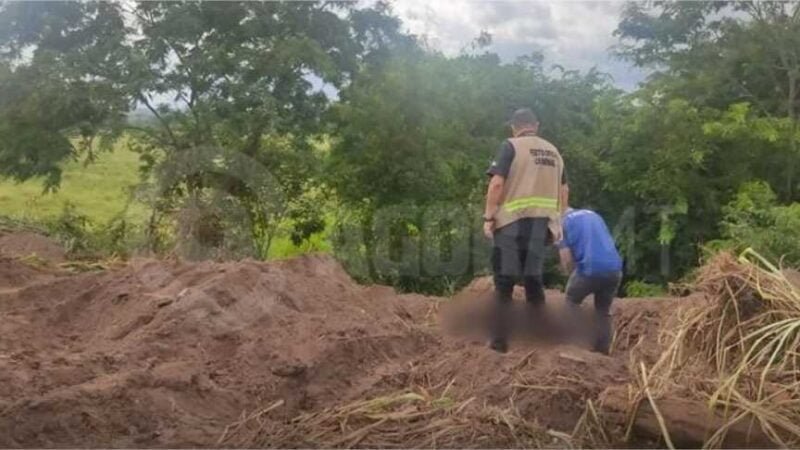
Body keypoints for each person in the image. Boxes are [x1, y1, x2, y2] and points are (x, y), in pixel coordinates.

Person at [483, 108, 569, 353]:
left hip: (511, 222)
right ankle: (541, 338)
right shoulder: (554, 152)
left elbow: (497, 182)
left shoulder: (511, 146)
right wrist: (558, 220)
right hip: (541, 225)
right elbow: (564, 191)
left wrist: (489, 216)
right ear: (536, 125)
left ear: (514, 127)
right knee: (533, 279)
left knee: (505, 280)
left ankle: (499, 342)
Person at [557, 207, 623, 355]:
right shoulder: (594, 215)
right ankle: (603, 351)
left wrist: (570, 274)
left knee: (571, 300)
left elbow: (566, 258)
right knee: (603, 311)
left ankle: (575, 344)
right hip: (615, 269)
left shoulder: (561, 223)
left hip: (591, 268)